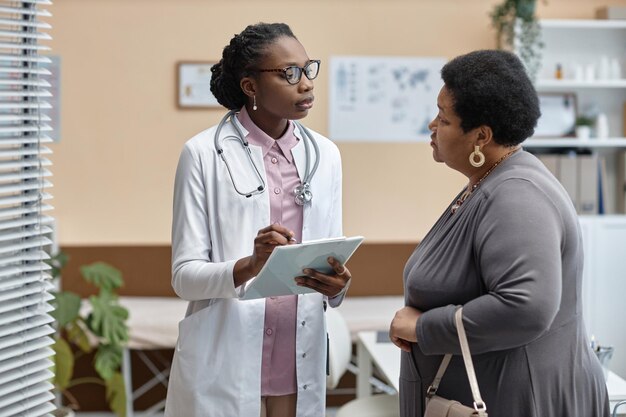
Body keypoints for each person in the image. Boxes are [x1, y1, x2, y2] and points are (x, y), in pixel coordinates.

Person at [389, 49, 610, 417]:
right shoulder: (490, 181)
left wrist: (426, 328)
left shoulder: (517, 195)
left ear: (481, 136)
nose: (432, 125)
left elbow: (526, 307)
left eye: (443, 118)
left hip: (521, 400)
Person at [164, 22, 351, 417]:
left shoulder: (326, 156)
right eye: (289, 73)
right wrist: (250, 265)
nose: (306, 85)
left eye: (307, 69)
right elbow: (184, 277)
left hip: (297, 350)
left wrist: (335, 287)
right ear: (251, 86)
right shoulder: (202, 154)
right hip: (228, 349)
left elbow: (328, 259)